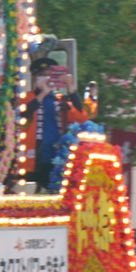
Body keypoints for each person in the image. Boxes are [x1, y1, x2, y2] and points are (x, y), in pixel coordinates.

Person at [21, 56, 97, 193]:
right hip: (31, 158)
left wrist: (71, 90)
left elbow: (82, 118)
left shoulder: (61, 101)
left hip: (55, 157)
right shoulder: (26, 98)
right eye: (41, 75)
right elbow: (23, 115)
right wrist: (43, 93)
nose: (45, 78)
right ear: (35, 77)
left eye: (49, 75)